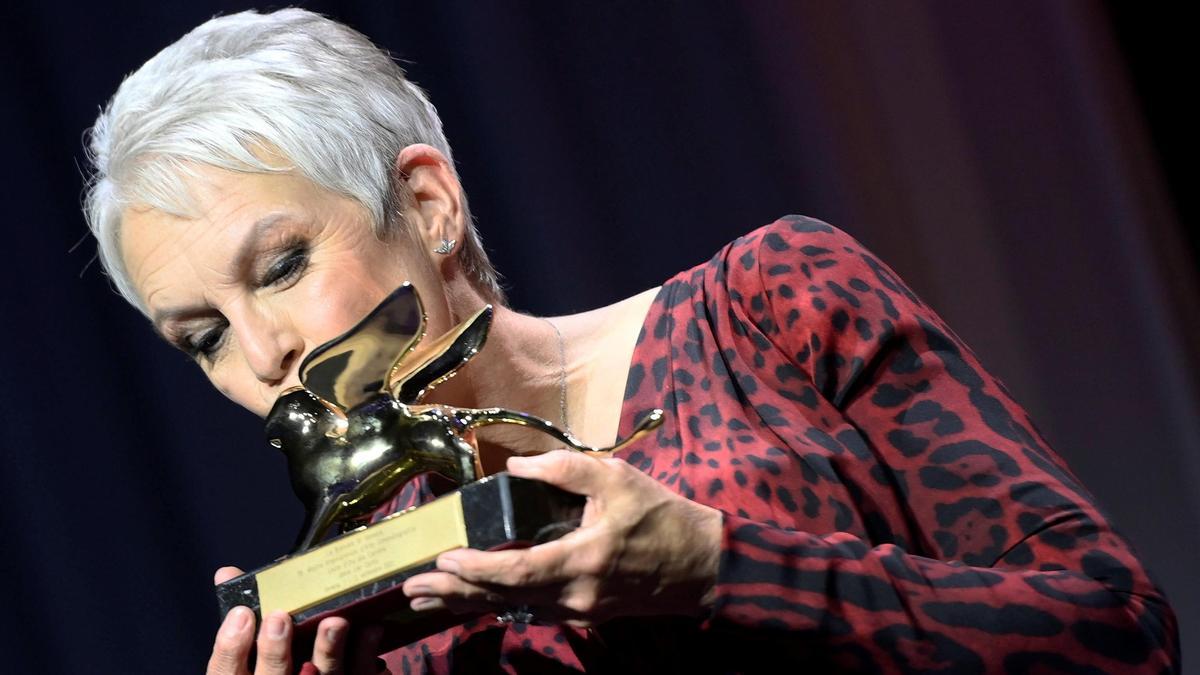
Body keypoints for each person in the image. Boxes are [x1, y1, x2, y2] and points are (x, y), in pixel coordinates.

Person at [83, 8, 1178, 674]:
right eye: (203, 336)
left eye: (281, 267)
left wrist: (718, 568)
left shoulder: (767, 305)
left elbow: (1117, 631)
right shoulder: (387, 607)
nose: (264, 356)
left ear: (425, 206)